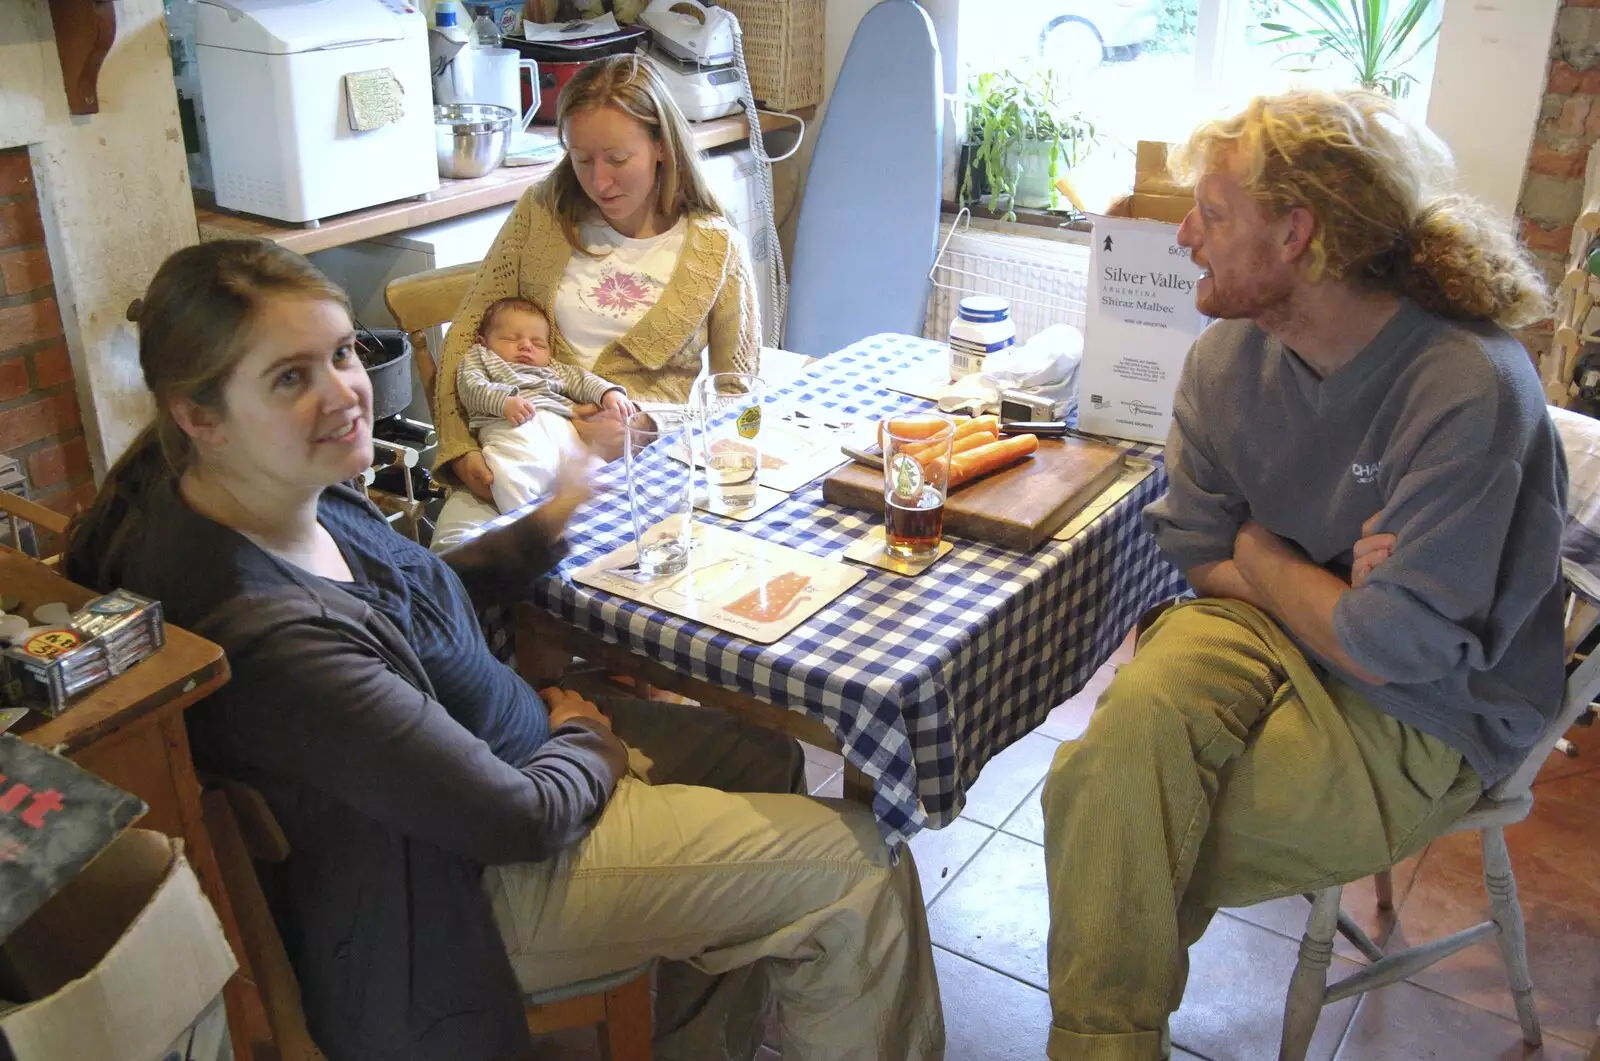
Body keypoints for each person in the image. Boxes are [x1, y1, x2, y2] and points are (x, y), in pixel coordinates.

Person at [65, 240, 944, 1061]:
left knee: (761, 754)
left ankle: (692, 1037)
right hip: (462, 895)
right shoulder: (266, 633)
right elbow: (514, 818)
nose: (342, 391)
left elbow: (417, 593)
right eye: (290, 376)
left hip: (505, 776)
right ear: (199, 414)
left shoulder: (273, 489)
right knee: (858, 868)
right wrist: (587, 739)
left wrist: (553, 520)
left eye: (338, 354)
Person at [1039, 89, 1567, 1060]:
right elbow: (1194, 544)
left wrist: (1264, 548)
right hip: (1248, 619)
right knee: (1115, 765)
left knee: (1115, 822)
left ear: (1297, 234)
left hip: (1426, 702)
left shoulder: (1463, 385)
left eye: (1214, 212)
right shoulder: (1223, 359)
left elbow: (1397, 645)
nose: (1186, 234)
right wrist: (1308, 579)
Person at [432, 54, 760, 544]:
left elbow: (740, 399)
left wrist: (647, 424)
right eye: (581, 160)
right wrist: (459, 447)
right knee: (452, 577)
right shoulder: (542, 212)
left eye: (617, 160)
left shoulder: (716, 247)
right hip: (514, 449)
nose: (599, 182)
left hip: (647, 474)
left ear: (662, 147)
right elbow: (469, 330)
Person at [457, 296, 635, 513]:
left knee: (596, 473)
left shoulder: (551, 367)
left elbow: (580, 379)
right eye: (511, 339)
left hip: (562, 428)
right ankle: (529, 528)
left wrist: (609, 393)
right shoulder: (481, 357)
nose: (526, 346)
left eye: (538, 343)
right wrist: (503, 402)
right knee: (511, 475)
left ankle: (608, 520)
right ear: (483, 341)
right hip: (511, 427)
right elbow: (471, 388)